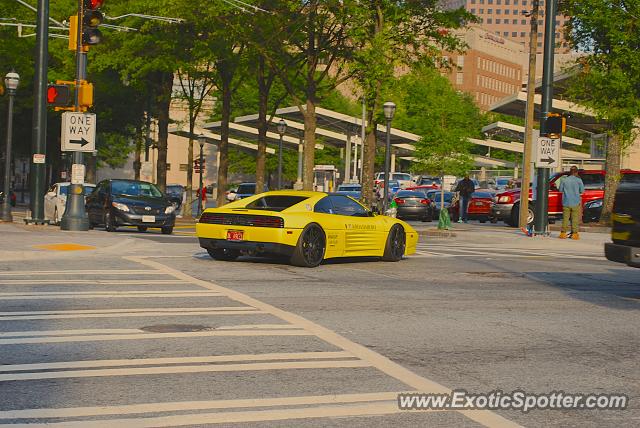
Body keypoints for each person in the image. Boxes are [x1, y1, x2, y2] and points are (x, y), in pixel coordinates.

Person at [558, 166, 584, 240]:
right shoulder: (579, 180)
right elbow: (582, 191)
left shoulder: (564, 180)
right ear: (576, 172)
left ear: (570, 171)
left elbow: (560, 190)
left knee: (565, 218)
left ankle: (563, 233)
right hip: (575, 202)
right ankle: (575, 234)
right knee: (575, 219)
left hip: (566, 202)